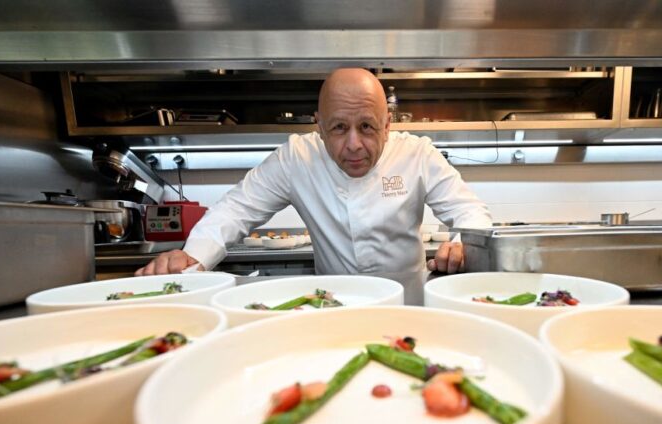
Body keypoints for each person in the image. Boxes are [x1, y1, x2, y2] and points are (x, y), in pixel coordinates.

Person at [136, 68, 491, 276]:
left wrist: (462, 246)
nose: (353, 144)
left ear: (387, 125)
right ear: (319, 126)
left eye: (367, 127)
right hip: (334, 309)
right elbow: (236, 210)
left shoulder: (416, 153)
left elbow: (470, 213)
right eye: (338, 128)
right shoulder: (297, 158)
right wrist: (194, 256)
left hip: (408, 308)